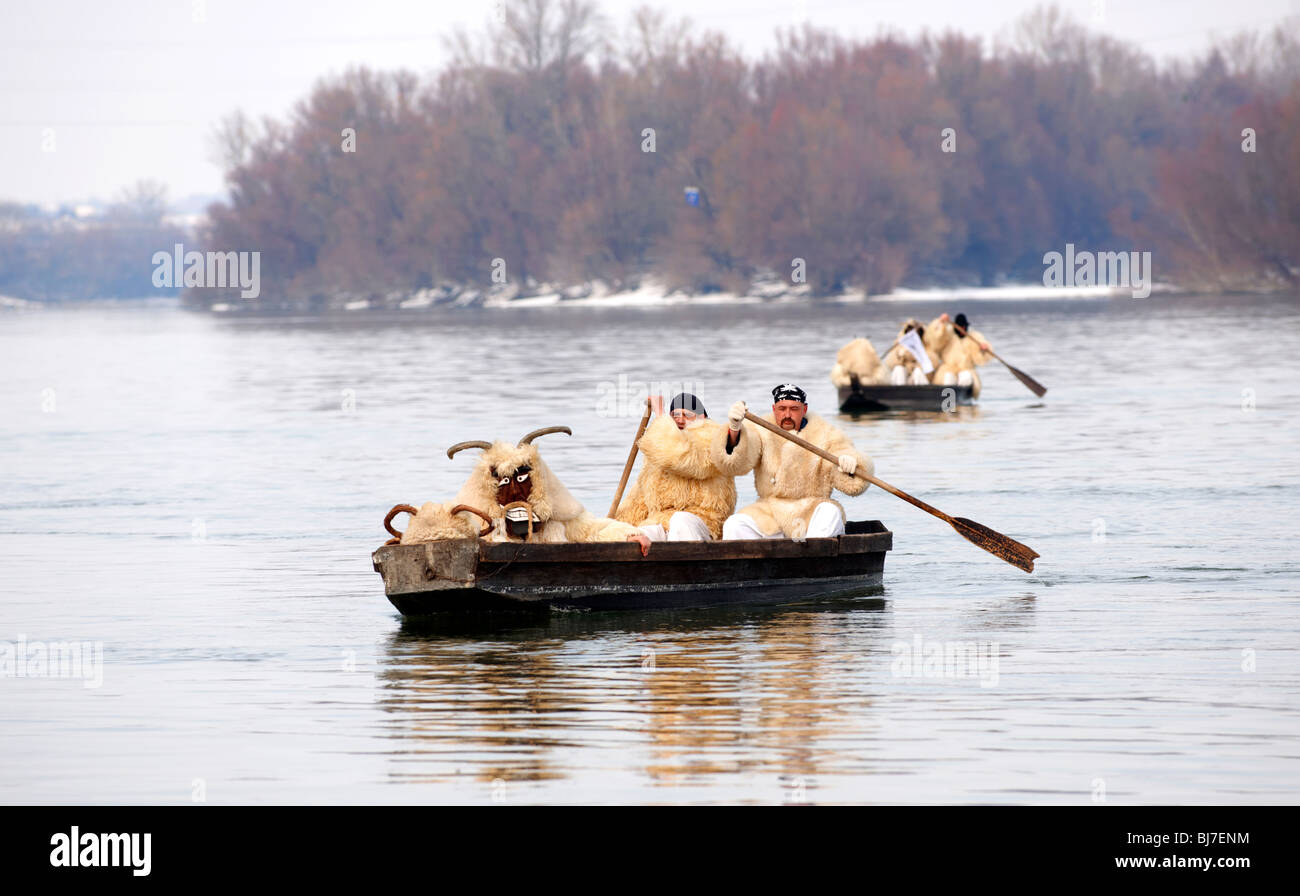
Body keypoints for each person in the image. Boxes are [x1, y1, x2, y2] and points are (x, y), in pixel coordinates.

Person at [711, 384, 873, 541]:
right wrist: (734, 429)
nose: (787, 415)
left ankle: (812, 560)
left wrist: (849, 464)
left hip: (812, 512)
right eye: (782, 409)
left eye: (794, 409)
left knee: (830, 512)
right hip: (771, 512)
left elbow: (850, 484)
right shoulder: (760, 431)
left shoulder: (827, 434)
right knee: (734, 524)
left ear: (804, 409)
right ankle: (752, 566)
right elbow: (735, 465)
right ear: (774, 409)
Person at [614, 392, 737, 542]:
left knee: (680, 521)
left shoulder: (714, 441)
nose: (680, 419)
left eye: (687, 415)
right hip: (662, 523)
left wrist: (660, 413)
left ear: (702, 417)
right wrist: (616, 529)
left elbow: (679, 457)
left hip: (703, 524)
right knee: (640, 534)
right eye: (675, 415)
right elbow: (638, 500)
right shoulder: (659, 451)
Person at [881, 319, 939, 386]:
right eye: (909, 332)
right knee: (898, 369)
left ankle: (922, 394)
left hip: (918, 379)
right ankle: (898, 393)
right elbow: (890, 363)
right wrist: (899, 356)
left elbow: (932, 366)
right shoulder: (900, 345)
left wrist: (916, 356)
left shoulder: (927, 347)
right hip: (905, 379)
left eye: (916, 333)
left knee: (918, 372)